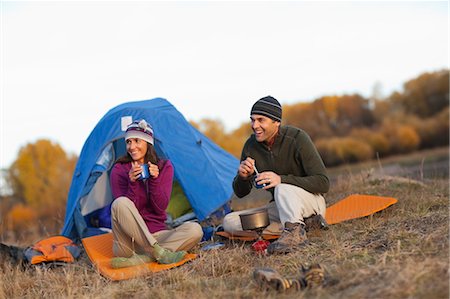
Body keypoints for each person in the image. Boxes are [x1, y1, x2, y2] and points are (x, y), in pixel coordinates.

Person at [222, 96, 330, 255]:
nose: (255, 125)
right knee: (230, 222)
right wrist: (243, 177)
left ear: (276, 122)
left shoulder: (297, 138)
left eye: (261, 120)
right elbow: (241, 192)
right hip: (280, 207)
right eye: (252, 120)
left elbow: (323, 183)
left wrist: (281, 179)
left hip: (312, 202)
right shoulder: (251, 146)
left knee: (282, 188)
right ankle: (304, 225)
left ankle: (295, 235)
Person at [109, 119, 203, 267]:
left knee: (195, 230)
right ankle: (158, 253)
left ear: (148, 142)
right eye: (128, 142)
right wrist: (133, 183)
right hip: (128, 243)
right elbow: (126, 212)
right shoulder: (119, 170)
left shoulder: (164, 167)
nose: (131, 147)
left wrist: (154, 180)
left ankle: (145, 257)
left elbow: (160, 208)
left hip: (158, 236)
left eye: (136, 141)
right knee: (120, 203)